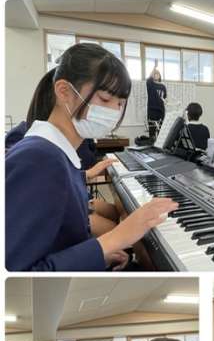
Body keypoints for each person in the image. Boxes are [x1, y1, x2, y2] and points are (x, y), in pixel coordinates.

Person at [6, 43, 178, 271]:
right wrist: (114, 238)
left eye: (120, 103)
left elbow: (57, 243)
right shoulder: (38, 158)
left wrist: (98, 254)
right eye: (105, 99)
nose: (114, 111)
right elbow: (17, 275)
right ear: (64, 92)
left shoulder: (56, 154)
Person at [146, 67, 167, 140]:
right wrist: (153, 70)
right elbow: (148, 80)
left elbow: (164, 97)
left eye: (158, 74)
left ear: (160, 75)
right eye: (155, 74)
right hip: (152, 110)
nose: (156, 75)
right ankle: (151, 143)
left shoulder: (163, 86)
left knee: (161, 131)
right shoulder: (150, 84)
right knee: (152, 130)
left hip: (161, 110)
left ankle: (159, 145)